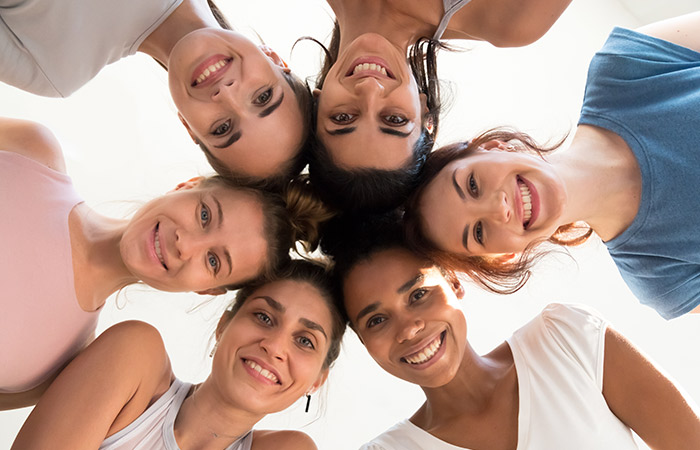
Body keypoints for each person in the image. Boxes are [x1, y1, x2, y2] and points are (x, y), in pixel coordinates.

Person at [0, 117, 329, 410]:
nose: (185, 244)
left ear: (209, 289)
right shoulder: (28, 152)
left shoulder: (59, 367)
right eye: (204, 215)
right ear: (186, 186)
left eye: (213, 260)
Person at [404, 12, 700, 319]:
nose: (500, 209)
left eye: (472, 185)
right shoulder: (664, 280)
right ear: (506, 256)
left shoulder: (625, 68)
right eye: (478, 232)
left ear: (491, 148)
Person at [325, 216, 700, 450]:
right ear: (362, 340)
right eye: (376, 320)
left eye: (419, 294)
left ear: (454, 282)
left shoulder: (566, 341)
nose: (409, 328)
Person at [11, 259, 346, 449]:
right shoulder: (136, 360)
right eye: (263, 317)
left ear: (317, 380)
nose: (274, 346)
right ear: (223, 324)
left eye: (305, 341)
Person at [0, 0, 313, 187]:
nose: (227, 94)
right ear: (274, 58)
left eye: (222, 128)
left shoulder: (53, 69)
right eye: (262, 98)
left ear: (188, 127)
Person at [309, 0, 573, 212]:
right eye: (395, 119)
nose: (370, 89)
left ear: (318, 100)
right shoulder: (512, 17)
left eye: (343, 117)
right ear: (423, 110)